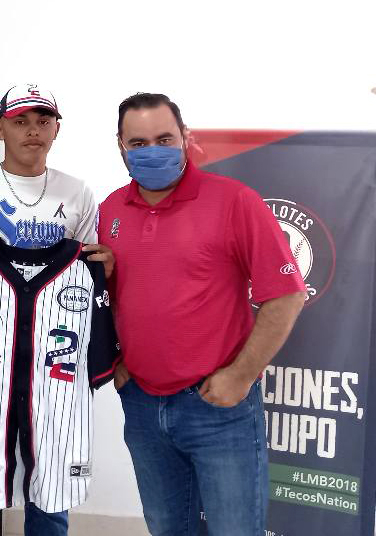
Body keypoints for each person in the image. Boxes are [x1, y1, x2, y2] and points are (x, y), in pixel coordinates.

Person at [100, 92, 307, 535]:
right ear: (120, 145)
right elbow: (106, 297)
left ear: (185, 137)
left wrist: (241, 375)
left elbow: (287, 294)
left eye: (164, 139)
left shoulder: (234, 201)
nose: (152, 151)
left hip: (217, 409)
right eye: (138, 143)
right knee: (167, 527)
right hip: (142, 406)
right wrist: (115, 359)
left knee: (235, 529)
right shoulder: (109, 210)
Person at [0, 84, 112, 536]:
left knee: (51, 500)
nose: (33, 130)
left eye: (42, 121)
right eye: (20, 121)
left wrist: (103, 269)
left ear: (56, 129)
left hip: (53, 372)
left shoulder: (78, 193)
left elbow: (85, 271)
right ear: (0, 129)